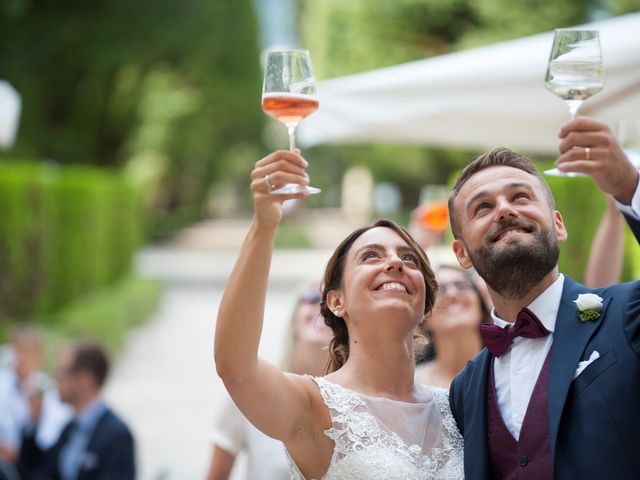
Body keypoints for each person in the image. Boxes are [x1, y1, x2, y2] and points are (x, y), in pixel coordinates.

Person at [214, 150, 463, 480]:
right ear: (336, 301)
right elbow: (235, 366)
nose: (395, 263)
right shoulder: (314, 406)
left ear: (426, 306)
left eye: (409, 259)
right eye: (371, 256)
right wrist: (264, 224)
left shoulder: (457, 408)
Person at [447, 116, 640, 479]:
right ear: (462, 254)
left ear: (559, 225)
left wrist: (630, 189)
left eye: (520, 196)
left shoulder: (627, 313)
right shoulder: (464, 388)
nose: (504, 210)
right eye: (483, 207)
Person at [206, 284, 332, 480]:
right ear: (294, 318)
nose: (321, 307)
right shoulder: (253, 388)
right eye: (312, 297)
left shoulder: (355, 403)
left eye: (331, 302)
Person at [18, 340, 136, 480]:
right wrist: (34, 422)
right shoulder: (71, 428)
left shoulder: (116, 435)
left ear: (84, 379)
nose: (55, 379)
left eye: (61, 372)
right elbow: (38, 471)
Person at [0, 328, 72, 468]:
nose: (22, 358)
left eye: (28, 352)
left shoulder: (50, 390)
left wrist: (35, 419)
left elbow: (51, 437)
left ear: (40, 357)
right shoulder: (2, 386)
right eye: (18, 351)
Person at [415, 265, 490, 388]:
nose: (452, 294)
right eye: (439, 291)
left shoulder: (507, 369)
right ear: (424, 319)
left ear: (481, 307)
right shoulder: (412, 384)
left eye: (461, 285)